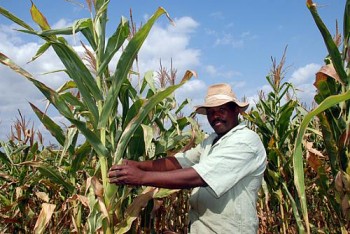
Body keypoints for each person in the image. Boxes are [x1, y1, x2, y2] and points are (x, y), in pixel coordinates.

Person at [108, 83, 267, 233]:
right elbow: (179, 162)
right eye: (211, 112)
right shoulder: (210, 141)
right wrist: (138, 165)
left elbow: (199, 176)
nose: (215, 116)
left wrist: (141, 177)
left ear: (236, 111)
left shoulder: (245, 141)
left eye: (222, 110)